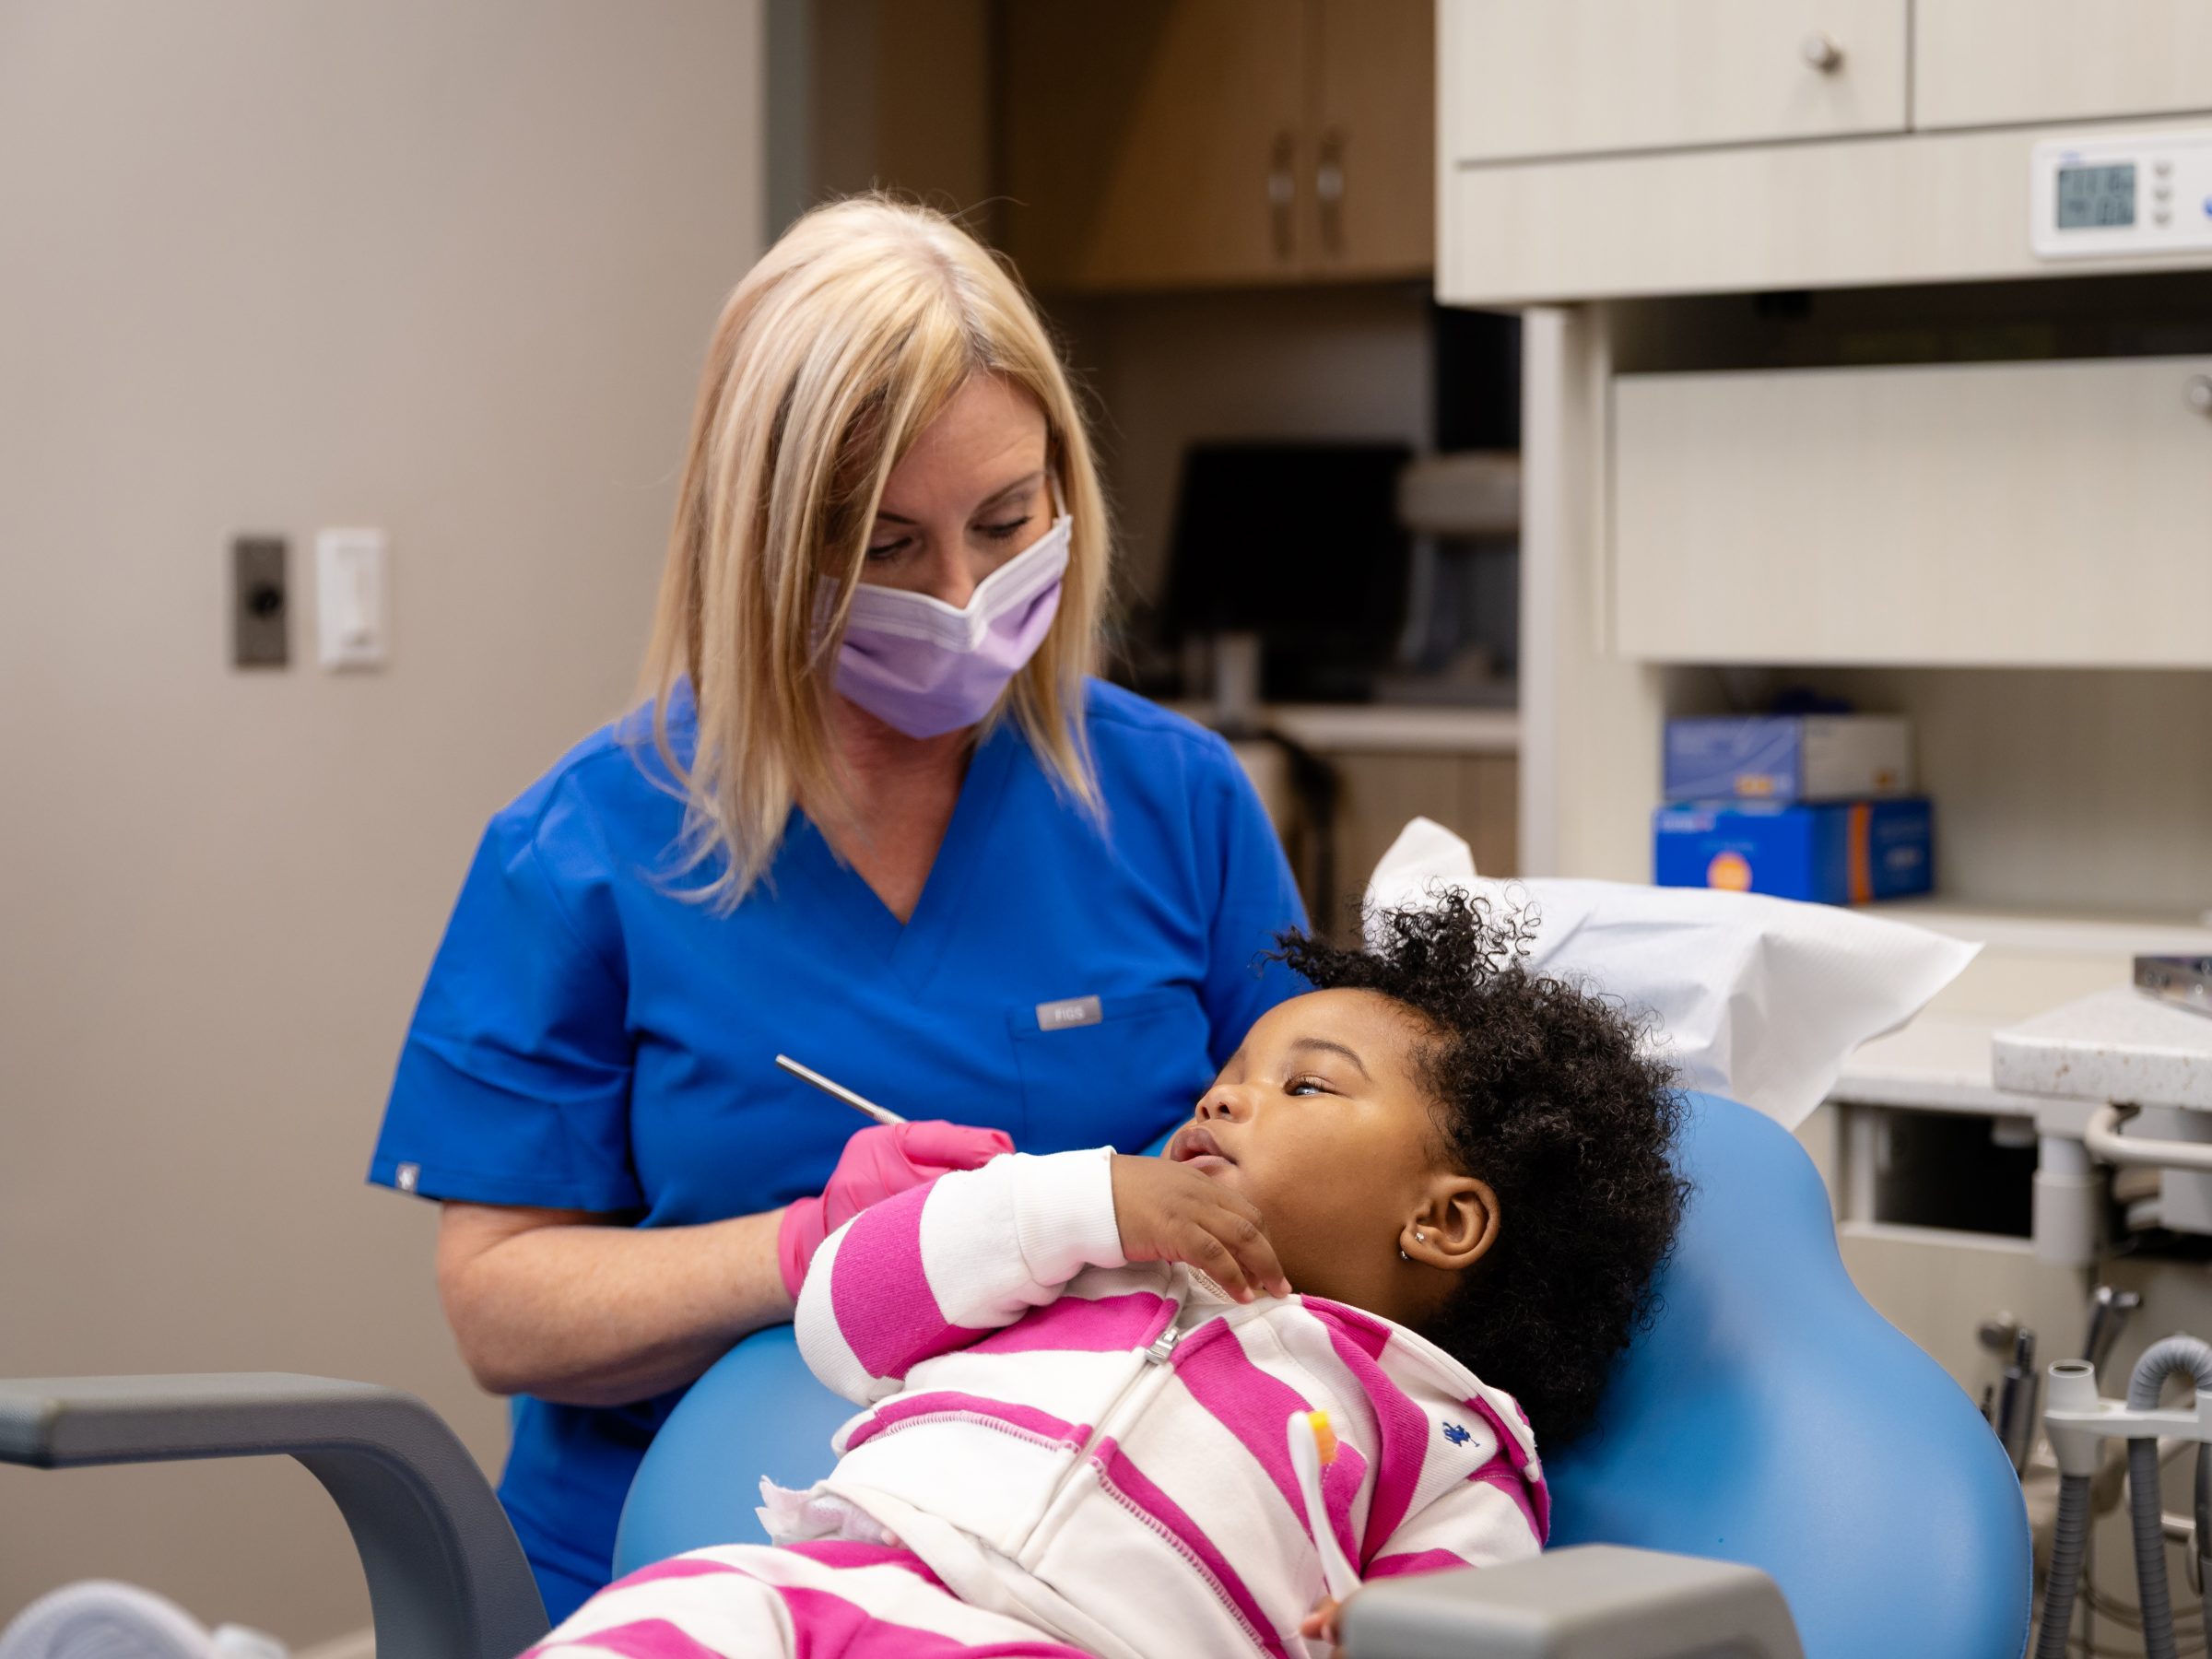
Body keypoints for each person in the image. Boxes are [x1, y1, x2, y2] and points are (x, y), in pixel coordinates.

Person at [365, 196, 1306, 1619]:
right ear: (762, 542)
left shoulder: (1175, 801)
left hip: (1078, 1565)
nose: (967, 594)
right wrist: (809, 1249)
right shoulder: (589, 848)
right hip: (671, 1571)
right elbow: (499, 1306)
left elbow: (1311, 1165)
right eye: (885, 549)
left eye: (1007, 520)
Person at [517, 894, 1689, 1659]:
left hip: (1082, 1643)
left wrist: (1380, 1632)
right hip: (832, 1579)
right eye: (1223, 1077)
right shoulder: (1071, 1260)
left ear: (1442, 1222)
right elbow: (841, 1322)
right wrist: (1070, 1200)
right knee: (658, 1622)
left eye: (1306, 1087)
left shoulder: (1442, 1432)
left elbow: (1473, 1624)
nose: (1224, 1097)